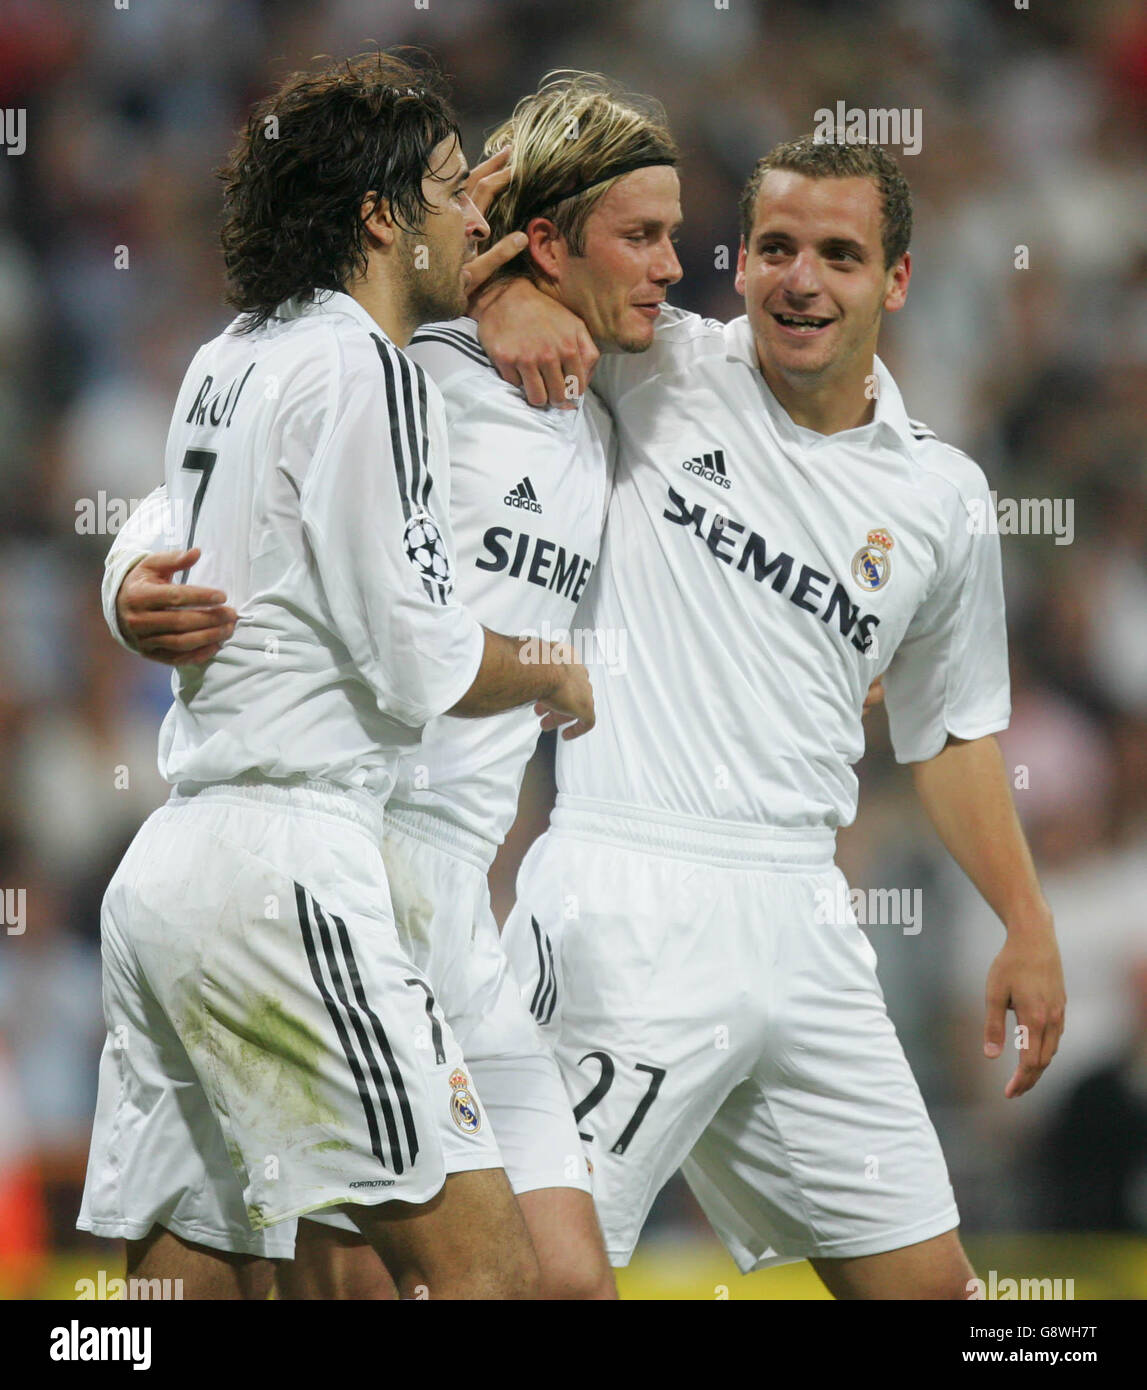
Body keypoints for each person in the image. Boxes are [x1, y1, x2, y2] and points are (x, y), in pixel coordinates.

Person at [100, 71, 680, 1300]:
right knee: (462, 1280)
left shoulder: (249, 347)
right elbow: (422, 662)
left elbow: (217, 485)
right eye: (644, 235)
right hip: (321, 853)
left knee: (176, 1306)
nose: (676, 264)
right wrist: (551, 670)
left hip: (231, 863)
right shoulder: (398, 366)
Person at [469, 132, 1066, 1299]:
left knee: (939, 1298)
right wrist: (501, 296)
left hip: (804, 920)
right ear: (737, 263)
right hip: (623, 900)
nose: (802, 279)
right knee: (534, 1280)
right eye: (777, 247)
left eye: (839, 254)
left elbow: (944, 729)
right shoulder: (655, 363)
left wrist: (1024, 919)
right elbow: (471, 270)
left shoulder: (939, 496)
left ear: (895, 280)